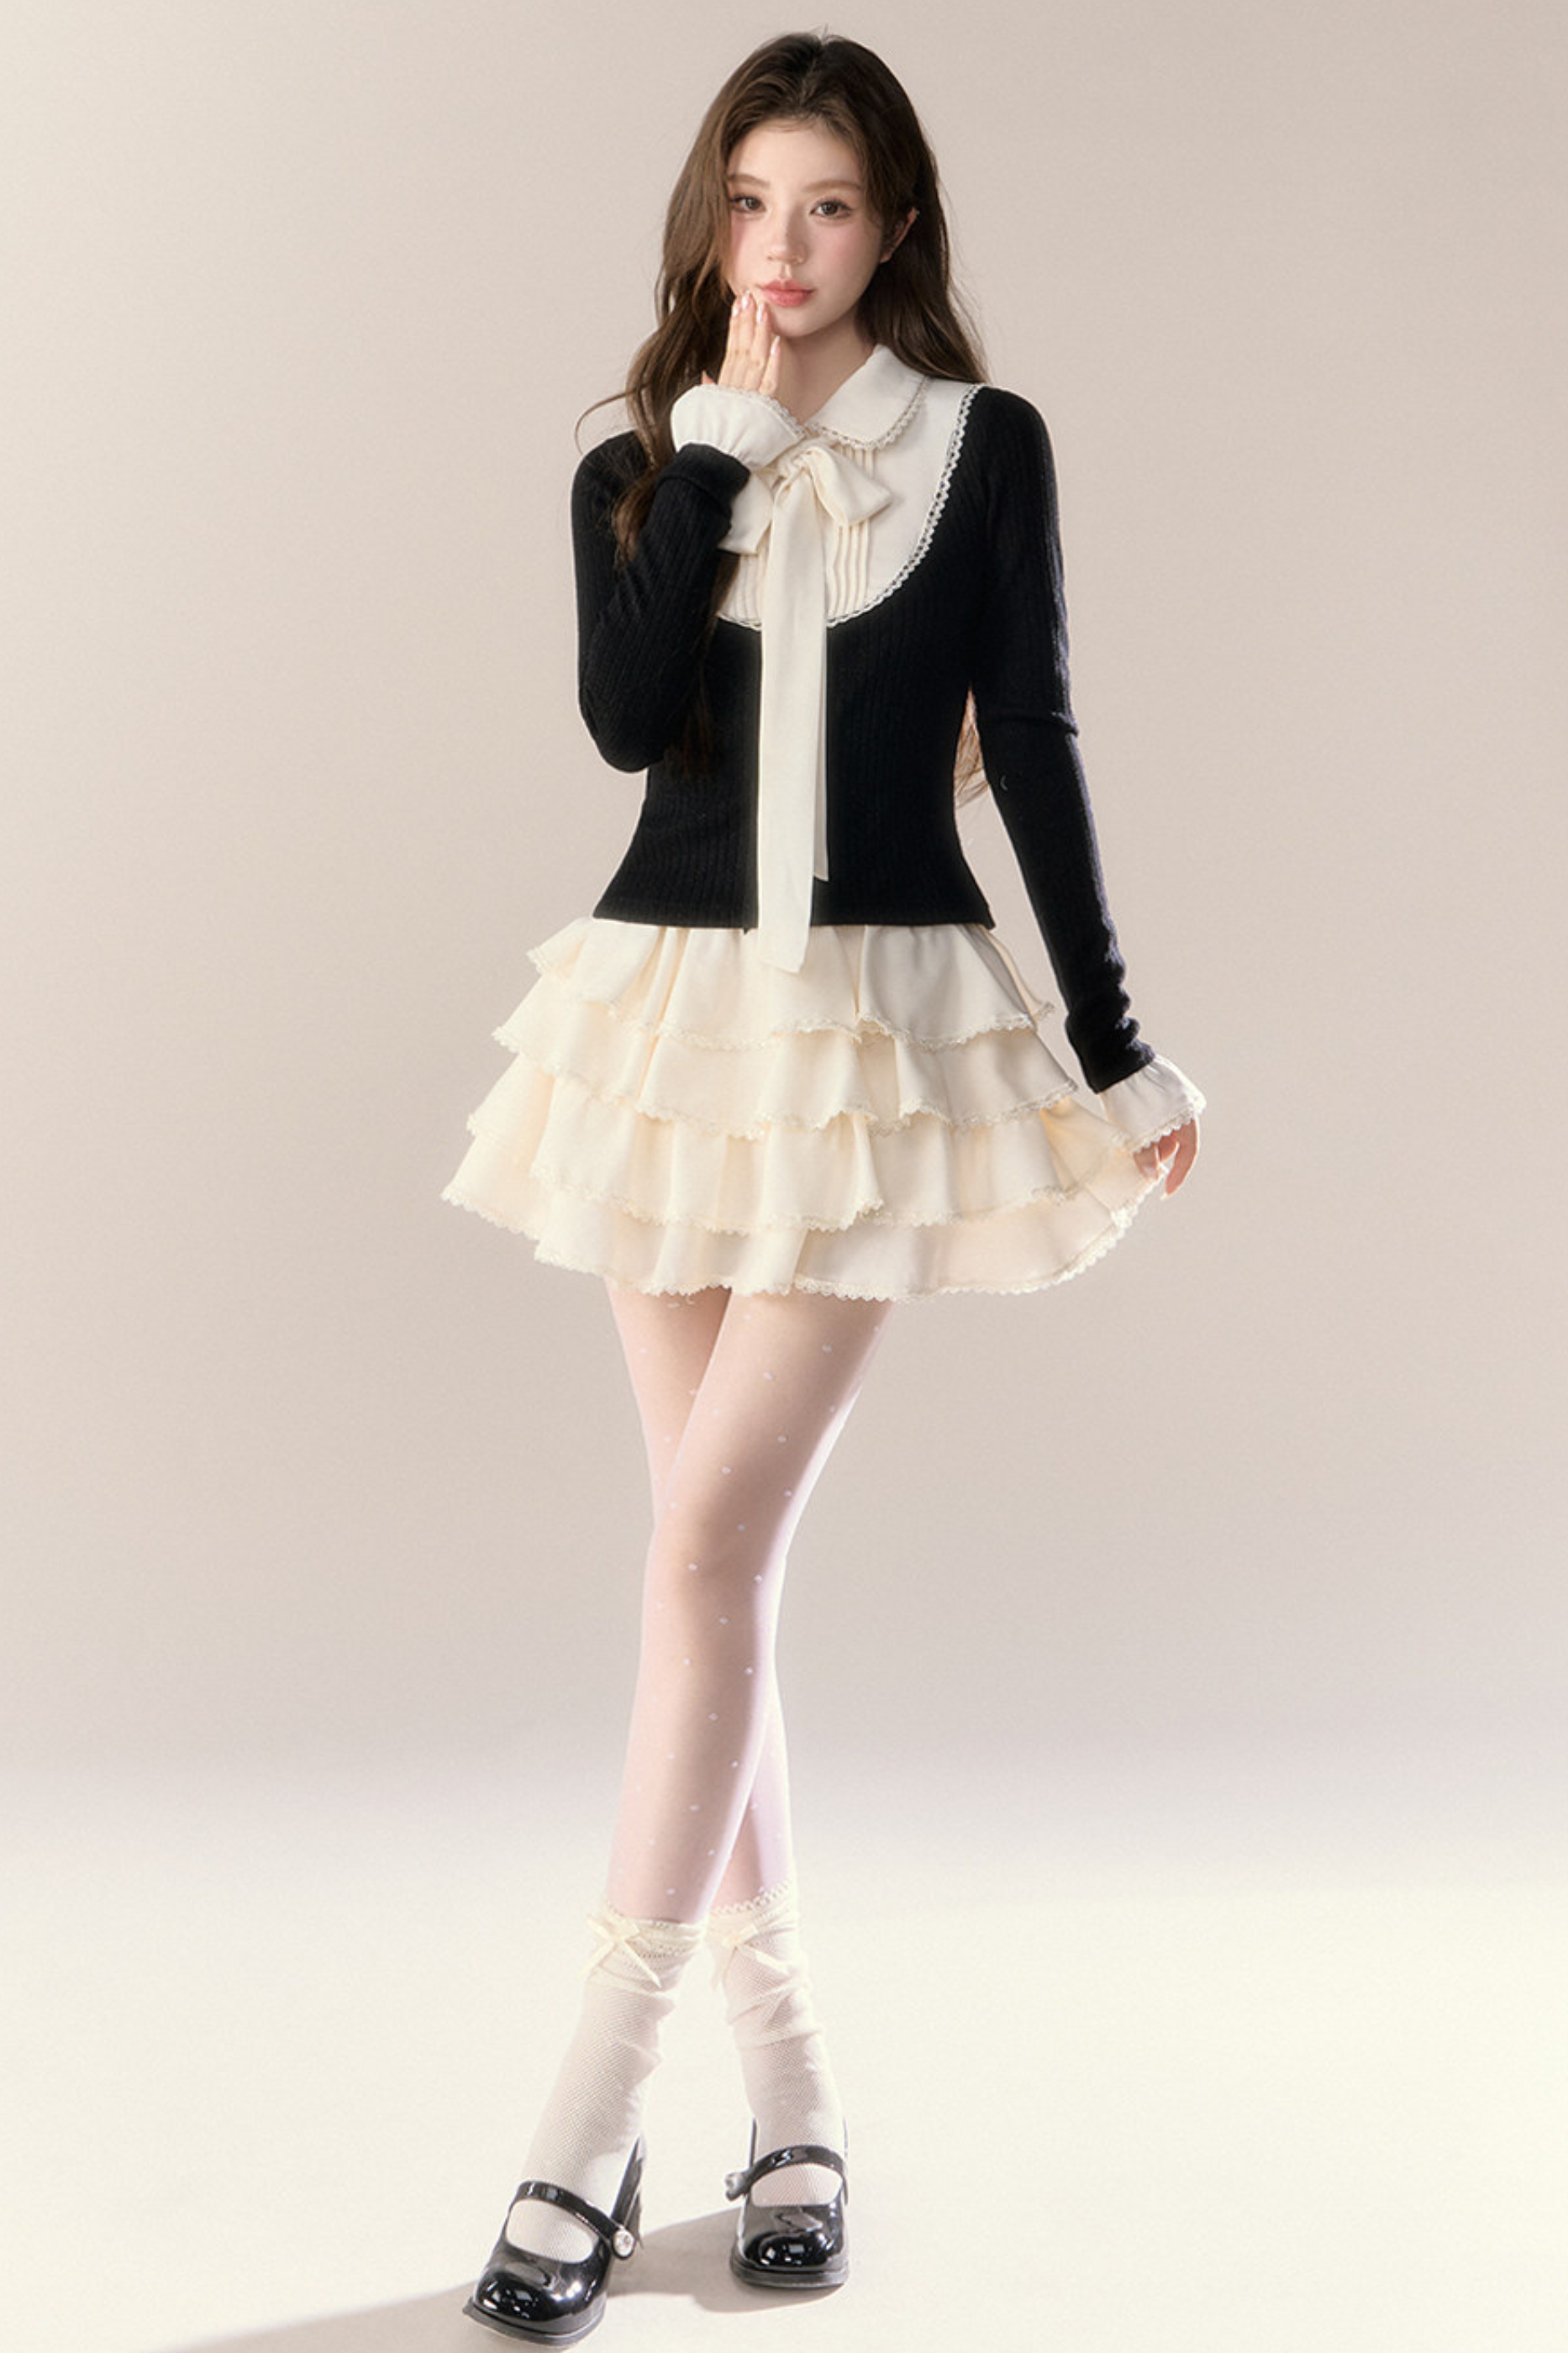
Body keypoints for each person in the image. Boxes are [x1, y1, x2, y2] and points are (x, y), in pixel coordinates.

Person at [443, 28, 1202, 2341]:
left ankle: (585, 2119)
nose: (784, 250)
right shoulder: (637, 459)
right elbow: (623, 717)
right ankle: (793, 2098)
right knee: (720, 1589)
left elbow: (1033, 744)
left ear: (898, 228)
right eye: (753, 205)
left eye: (832, 208)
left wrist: (1117, 1039)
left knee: (701, 1557)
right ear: (713, 220)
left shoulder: (986, 448)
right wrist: (719, 456)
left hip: (875, 1037)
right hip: (672, 1032)